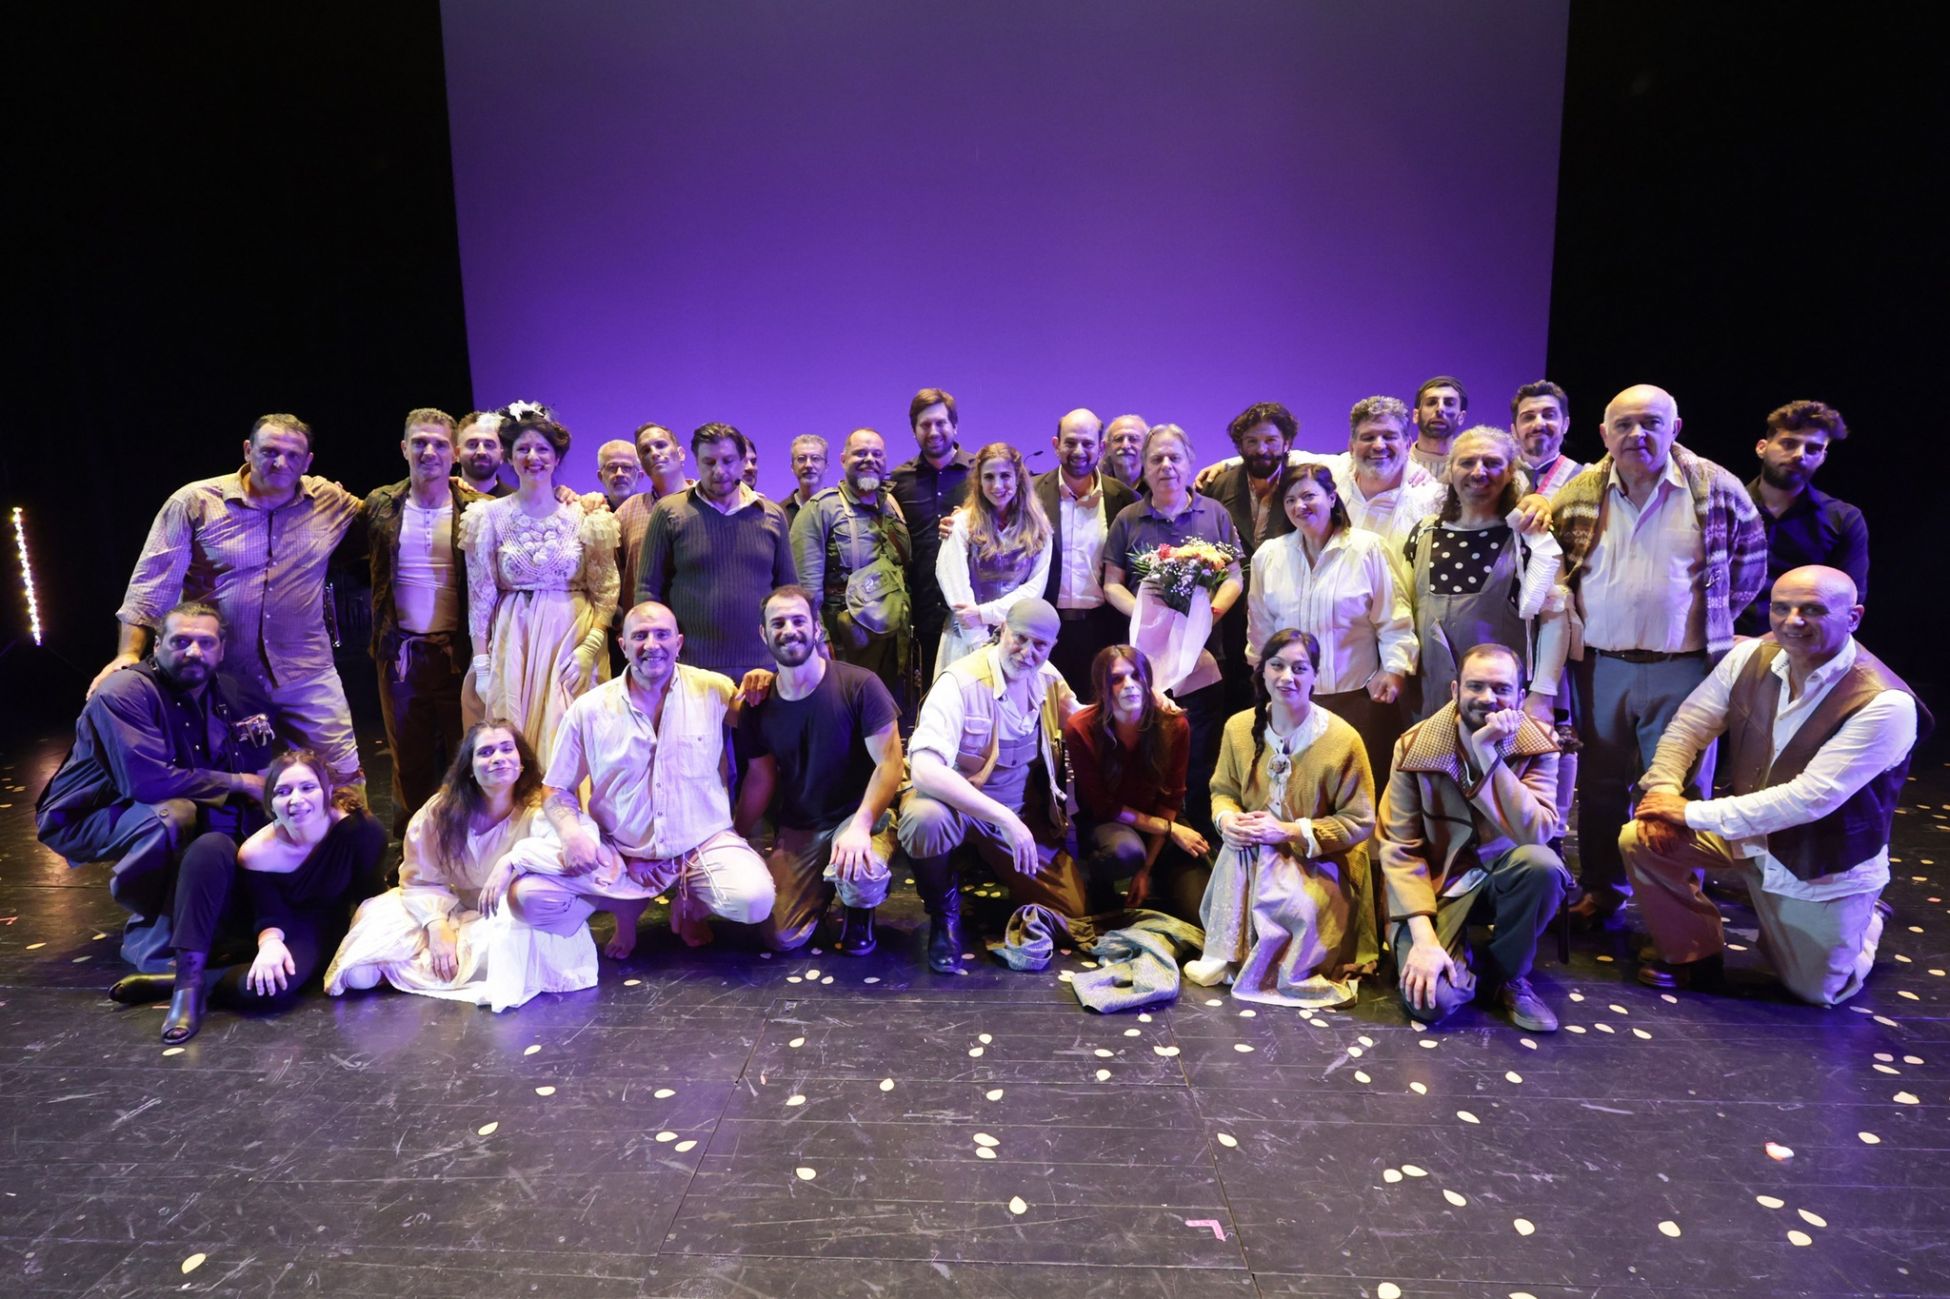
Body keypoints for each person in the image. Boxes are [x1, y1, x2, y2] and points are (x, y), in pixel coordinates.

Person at [1624, 566, 1928, 1005]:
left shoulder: (1885, 704)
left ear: (1854, 617)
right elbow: (1689, 725)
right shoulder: (1750, 656)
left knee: (1817, 991)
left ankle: (1866, 920)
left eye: (1812, 610)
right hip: (1749, 833)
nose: (1792, 621)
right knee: (1642, 838)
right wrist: (1664, 790)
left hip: (1817, 858)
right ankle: (1693, 954)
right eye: (1781, 608)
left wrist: (1687, 812)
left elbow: (1809, 799)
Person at [1552, 384, 1767, 925]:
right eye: (1623, 424)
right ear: (1604, 434)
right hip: (1600, 667)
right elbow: (1559, 569)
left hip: (1684, 668)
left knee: (1679, 790)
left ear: (1675, 429)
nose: (1636, 434)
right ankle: (1603, 891)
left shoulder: (1716, 488)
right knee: (1599, 787)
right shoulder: (1579, 493)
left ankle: (1673, 915)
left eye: (1650, 422)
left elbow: (1749, 568)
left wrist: (1712, 624)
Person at [96, 412, 366, 789]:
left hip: (307, 672)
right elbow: (152, 581)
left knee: (341, 779)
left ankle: (347, 831)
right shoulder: (195, 502)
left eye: (293, 455)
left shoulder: (329, 500)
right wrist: (128, 653)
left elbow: (388, 516)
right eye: (269, 451)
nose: (280, 462)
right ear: (247, 450)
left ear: (307, 462)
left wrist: (442, 486)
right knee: (234, 784)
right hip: (223, 679)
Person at [497, 602, 775, 966]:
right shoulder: (590, 709)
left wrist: (766, 681)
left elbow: (765, 715)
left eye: (662, 634)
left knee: (755, 901)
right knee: (527, 900)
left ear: (678, 643)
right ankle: (624, 908)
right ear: (623, 645)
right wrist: (571, 834)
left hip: (700, 843)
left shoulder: (713, 689)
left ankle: (691, 905)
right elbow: (556, 787)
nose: (651, 644)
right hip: (620, 851)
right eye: (640, 636)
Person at [37, 602, 280, 970]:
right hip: (89, 814)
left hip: (172, 797)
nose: (194, 652)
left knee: (251, 812)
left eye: (205, 642)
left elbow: (244, 767)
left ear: (221, 649)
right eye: (180, 641)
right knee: (172, 816)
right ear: (157, 645)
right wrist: (240, 783)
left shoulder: (227, 691)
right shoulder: (123, 693)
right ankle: (153, 943)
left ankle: (216, 924)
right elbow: (148, 783)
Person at [108, 750, 388, 1044]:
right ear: (271, 802)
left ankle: (176, 983)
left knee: (271, 988)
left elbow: (371, 897)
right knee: (210, 847)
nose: (295, 799)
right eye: (283, 792)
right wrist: (270, 943)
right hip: (261, 923)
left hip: (315, 927)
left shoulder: (361, 831)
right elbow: (268, 910)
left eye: (307, 787)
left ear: (327, 790)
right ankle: (186, 987)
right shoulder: (258, 850)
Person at [1379, 643, 1568, 1032]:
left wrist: (1487, 754)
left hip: (1503, 876)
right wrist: (1424, 940)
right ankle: (1453, 958)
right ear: (1455, 690)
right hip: (1437, 887)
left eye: (1501, 688)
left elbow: (1537, 832)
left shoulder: (1538, 743)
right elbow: (1399, 849)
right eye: (1476, 686)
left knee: (1542, 866)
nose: (1487, 698)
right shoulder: (1414, 747)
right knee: (1431, 1002)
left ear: (1520, 695)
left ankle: (1508, 977)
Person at [1184, 629, 1378, 1006]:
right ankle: (1227, 956)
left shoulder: (1343, 740)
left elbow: (1359, 821)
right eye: (1277, 666)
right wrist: (1228, 820)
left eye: (1299, 668)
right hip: (1253, 853)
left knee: (1299, 906)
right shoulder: (1238, 728)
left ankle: (1284, 966)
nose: (1287, 677)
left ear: (1315, 676)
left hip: (1319, 861)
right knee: (1235, 850)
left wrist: (1288, 831)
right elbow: (1222, 791)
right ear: (1262, 671)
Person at [897, 599, 1090, 973]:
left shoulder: (1048, 679)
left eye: (1040, 645)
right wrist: (1003, 819)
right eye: (1020, 638)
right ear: (1002, 631)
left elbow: (1084, 718)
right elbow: (923, 769)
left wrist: (1143, 701)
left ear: (1052, 646)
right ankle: (943, 911)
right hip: (961, 810)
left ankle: (983, 864)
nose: (1027, 652)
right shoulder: (960, 681)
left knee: (1072, 911)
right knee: (924, 820)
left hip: (1018, 813)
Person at [324, 720, 553, 1003]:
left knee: (503, 958)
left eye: (507, 749)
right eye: (486, 752)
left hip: (506, 916)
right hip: (447, 905)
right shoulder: (442, 810)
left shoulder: (538, 810)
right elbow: (420, 878)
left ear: (521, 762)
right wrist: (436, 925)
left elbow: (561, 858)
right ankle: (420, 963)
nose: (498, 758)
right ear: (470, 768)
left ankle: (417, 968)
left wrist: (512, 863)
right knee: (358, 975)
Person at [734, 586, 904, 954]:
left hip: (858, 816)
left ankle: (859, 907)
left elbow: (890, 764)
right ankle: (823, 890)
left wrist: (860, 825)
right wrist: (735, 837)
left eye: (798, 620)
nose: (789, 630)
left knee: (862, 871)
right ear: (763, 633)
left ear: (816, 628)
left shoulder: (860, 685)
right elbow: (760, 779)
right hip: (802, 827)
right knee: (780, 936)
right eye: (778, 623)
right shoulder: (757, 704)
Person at [1102, 423, 1243, 835]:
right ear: (1144, 467)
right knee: (1149, 751)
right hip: (1146, 663)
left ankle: (1198, 832)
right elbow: (1111, 583)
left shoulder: (1214, 513)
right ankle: (1155, 836)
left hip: (1202, 658)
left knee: (1198, 752)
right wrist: (1147, 617)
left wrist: (1208, 614)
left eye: (1174, 457)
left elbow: (1235, 577)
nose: (1166, 466)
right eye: (1156, 459)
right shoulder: (1129, 518)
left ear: (1190, 462)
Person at [459, 410, 621, 762]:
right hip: (514, 640)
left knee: (571, 736)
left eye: (542, 449)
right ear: (509, 457)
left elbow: (606, 588)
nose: (533, 457)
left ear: (557, 457)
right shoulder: (487, 517)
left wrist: (591, 647)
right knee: (514, 737)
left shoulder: (586, 515)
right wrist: (482, 663)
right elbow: (481, 594)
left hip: (572, 637)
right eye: (523, 449)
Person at [360, 408, 487, 835]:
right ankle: (413, 848)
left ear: (455, 453)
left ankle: (467, 842)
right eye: (419, 442)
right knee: (409, 761)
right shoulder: (379, 505)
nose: (428, 451)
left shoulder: (478, 508)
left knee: (465, 755)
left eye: (438, 444)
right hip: (401, 654)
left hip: (461, 654)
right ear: (404, 448)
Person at [1245, 461, 1413, 782]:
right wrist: (1263, 678)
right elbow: (1260, 626)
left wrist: (1393, 669)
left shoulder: (1367, 548)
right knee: (1297, 790)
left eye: (1308, 496)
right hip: (1291, 700)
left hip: (1358, 698)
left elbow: (1393, 617)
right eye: (1290, 500)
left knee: (1359, 790)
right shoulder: (1268, 555)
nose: (1299, 506)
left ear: (1332, 497)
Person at [1404, 426, 1566, 722]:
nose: (1479, 472)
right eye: (1467, 462)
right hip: (1428, 702)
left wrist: (1542, 695)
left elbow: (1555, 620)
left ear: (1510, 472)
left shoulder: (1530, 538)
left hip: (1500, 706)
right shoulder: (1423, 533)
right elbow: (1400, 611)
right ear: (1449, 470)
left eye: (1492, 463)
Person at [636, 422, 797, 679]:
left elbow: (789, 592)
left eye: (728, 461)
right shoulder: (670, 512)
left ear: (743, 462)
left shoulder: (772, 515)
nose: (719, 470)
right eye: (709, 462)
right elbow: (648, 590)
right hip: (689, 670)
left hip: (763, 670)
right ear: (696, 463)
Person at [1063, 646, 1209, 922]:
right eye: (1116, 679)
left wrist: (1146, 869)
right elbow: (1104, 806)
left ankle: (1157, 876)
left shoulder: (1174, 725)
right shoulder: (1080, 728)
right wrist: (1169, 829)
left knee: (1200, 912)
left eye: (1136, 676)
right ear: (1102, 687)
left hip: (1162, 823)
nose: (1129, 685)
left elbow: (1171, 798)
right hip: (1110, 824)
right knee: (1126, 853)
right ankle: (1096, 880)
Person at [790, 427, 913, 697]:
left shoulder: (891, 506)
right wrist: (820, 642)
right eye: (860, 453)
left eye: (877, 454)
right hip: (846, 643)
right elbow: (806, 592)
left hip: (894, 641)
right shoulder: (820, 509)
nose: (869, 459)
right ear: (843, 459)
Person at [1737, 400, 1868, 638]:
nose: (1799, 455)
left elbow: (1847, 601)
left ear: (1823, 457)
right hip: (1719, 644)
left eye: (1813, 449)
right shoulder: (1723, 508)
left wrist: (1766, 644)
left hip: (1798, 645)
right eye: (1789, 443)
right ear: (1762, 447)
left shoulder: (1843, 519)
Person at [1035, 408, 1138, 699]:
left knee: (1101, 712)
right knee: (1048, 712)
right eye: (1070, 442)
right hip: (1046, 629)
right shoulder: (1031, 493)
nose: (1079, 451)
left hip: (1104, 629)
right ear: (1056, 445)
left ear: (1101, 448)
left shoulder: (1124, 498)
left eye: (1087, 443)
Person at [1202, 402, 1301, 696]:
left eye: (1271, 440)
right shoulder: (1216, 486)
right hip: (1229, 616)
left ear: (1287, 443)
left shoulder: (1301, 487)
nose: (1262, 449)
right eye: (1252, 441)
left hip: (1284, 609)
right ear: (1240, 446)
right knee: (1232, 697)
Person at [934, 442, 1052, 676]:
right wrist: (980, 643)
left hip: (1018, 639)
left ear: (1018, 478)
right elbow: (954, 584)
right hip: (965, 638)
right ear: (978, 481)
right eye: (989, 477)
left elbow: (1034, 589)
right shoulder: (961, 524)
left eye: (1005, 476)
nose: (997, 486)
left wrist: (984, 614)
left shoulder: (1039, 528)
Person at [889, 387, 974, 687]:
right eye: (925, 425)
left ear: (955, 426)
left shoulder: (980, 474)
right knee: (928, 696)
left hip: (971, 610)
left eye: (941, 423)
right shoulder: (898, 481)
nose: (934, 431)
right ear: (914, 431)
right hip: (921, 612)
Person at [613, 421, 694, 669]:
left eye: (660, 445)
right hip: (647, 646)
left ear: (681, 453)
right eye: (645, 450)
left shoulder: (708, 503)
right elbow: (608, 573)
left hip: (700, 634)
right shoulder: (628, 511)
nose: (654, 453)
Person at [1326, 396, 1446, 555]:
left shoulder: (1432, 501)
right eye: (1368, 437)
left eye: (1389, 437)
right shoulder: (1330, 477)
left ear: (1407, 445)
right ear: (1351, 447)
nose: (1379, 446)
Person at [1513, 381, 1582, 499]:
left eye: (1549, 415)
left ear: (1565, 425)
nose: (1539, 424)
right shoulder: (1500, 478)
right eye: (1528, 417)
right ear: (1514, 430)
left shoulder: (1584, 479)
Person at [1411, 376, 1469, 480]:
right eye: (1431, 402)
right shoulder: (1397, 464)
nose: (1440, 408)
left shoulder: (1469, 470)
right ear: (1416, 415)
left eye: (1449, 403)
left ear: (1461, 417)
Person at [455, 410, 513, 497]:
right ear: (457, 453)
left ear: (502, 455)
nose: (481, 452)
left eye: (489, 445)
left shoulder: (518, 502)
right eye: (472, 444)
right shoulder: (440, 499)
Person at [781, 434, 830, 528]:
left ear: (826, 466)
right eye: (801, 459)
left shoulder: (841, 508)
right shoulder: (780, 513)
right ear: (792, 467)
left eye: (815, 458)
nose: (808, 465)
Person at [595, 439, 644, 511]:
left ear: (639, 476)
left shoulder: (654, 511)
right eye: (612, 467)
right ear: (600, 476)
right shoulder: (590, 512)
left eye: (626, 467)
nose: (619, 473)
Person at [1102, 414, 1149, 490]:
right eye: (1118, 439)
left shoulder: (1156, 488)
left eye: (1133, 439)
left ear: (1146, 445)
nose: (1125, 446)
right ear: (1107, 447)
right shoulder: (1097, 486)